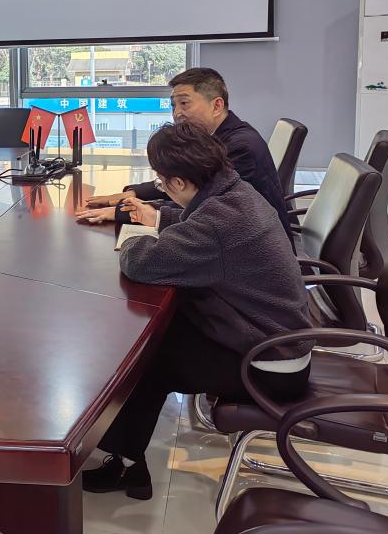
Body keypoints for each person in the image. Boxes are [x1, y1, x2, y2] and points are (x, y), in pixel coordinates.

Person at [79, 122, 312, 499]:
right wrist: (155, 217)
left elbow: (140, 262)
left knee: (146, 358)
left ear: (179, 182)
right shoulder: (235, 191)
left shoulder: (219, 223)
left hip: (269, 365)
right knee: (157, 336)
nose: (161, 187)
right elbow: (196, 220)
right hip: (272, 339)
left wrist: (137, 237)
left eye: (161, 182)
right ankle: (126, 459)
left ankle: (125, 466)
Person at [77, 68, 292, 244]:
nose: (176, 113)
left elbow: (203, 209)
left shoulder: (238, 147)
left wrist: (124, 211)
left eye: (184, 103)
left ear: (217, 105)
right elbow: (190, 189)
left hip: (256, 255)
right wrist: (134, 193)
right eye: (173, 105)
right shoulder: (217, 138)